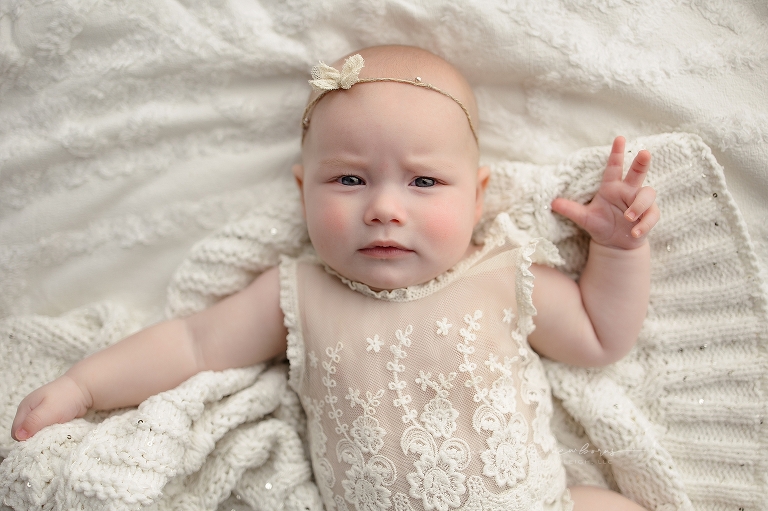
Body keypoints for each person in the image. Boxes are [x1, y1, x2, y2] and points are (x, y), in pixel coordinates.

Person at [11, 45, 658, 511]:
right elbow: (194, 344)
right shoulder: (298, 292)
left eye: (424, 181)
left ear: (477, 194)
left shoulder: (497, 272)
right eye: (349, 178)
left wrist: (619, 250)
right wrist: (84, 385)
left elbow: (601, 336)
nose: (383, 206)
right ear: (302, 188)